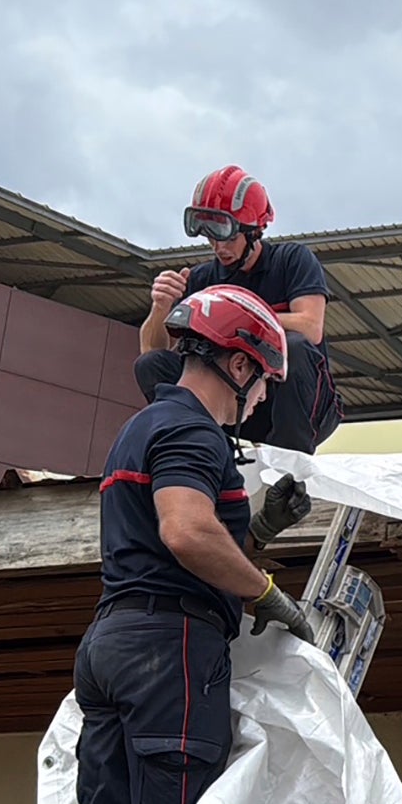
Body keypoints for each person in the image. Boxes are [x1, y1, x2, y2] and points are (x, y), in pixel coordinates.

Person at [0, 286, 316, 804]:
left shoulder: (143, 427)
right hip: (172, 644)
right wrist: (266, 593)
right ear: (236, 362)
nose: (263, 395)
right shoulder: (192, 431)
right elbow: (186, 530)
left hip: (112, 639)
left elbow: (173, 532)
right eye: (263, 378)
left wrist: (256, 530)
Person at [137, 166, 346, 546]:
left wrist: (235, 318)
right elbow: (153, 351)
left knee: (295, 347)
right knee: (154, 367)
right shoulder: (202, 280)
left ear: (254, 231)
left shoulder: (291, 261)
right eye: (209, 235)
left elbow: (311, 326)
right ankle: (198, 451)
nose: (218, 246)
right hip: (238, 405)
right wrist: (160, 306)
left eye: (226, 234)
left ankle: (290, 470)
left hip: (298, 406)